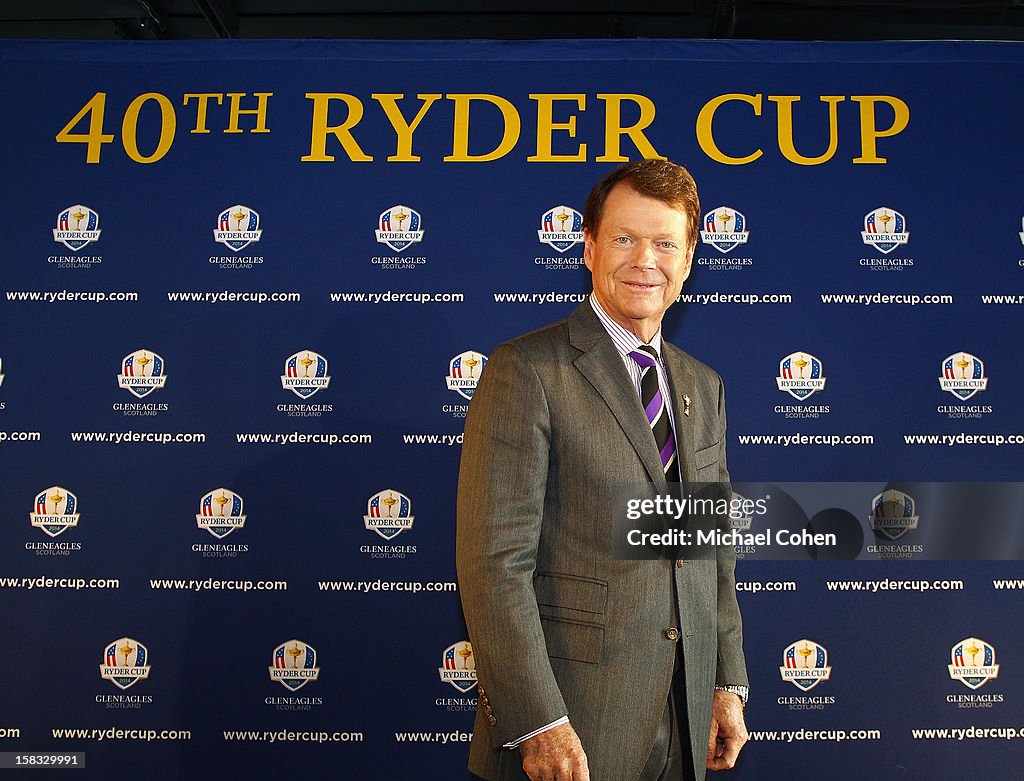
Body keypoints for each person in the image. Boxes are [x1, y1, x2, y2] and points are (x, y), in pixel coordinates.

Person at [456, 159, 748, 781]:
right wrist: (536, 720)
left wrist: (726, 682)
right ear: (588, 247)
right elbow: (494, 564)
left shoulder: (703, 383)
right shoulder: (526, 370)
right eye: (624, 237)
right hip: (572, 722)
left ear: (690, 258)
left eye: (666, 243)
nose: (646, 258)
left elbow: (710, 549)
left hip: (685, 719)